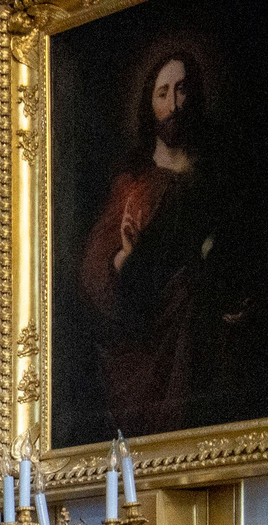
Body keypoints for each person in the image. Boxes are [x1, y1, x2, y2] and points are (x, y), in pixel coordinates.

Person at [78, 43, 258, 439]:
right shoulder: (135, 183)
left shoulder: (218, 174)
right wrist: (125, 258)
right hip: (150, 347)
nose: (175, 104)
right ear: (150, 103)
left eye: (182, 90)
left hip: (214, 343)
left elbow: (238, 252)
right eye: (163, 93)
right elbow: (96, 274)